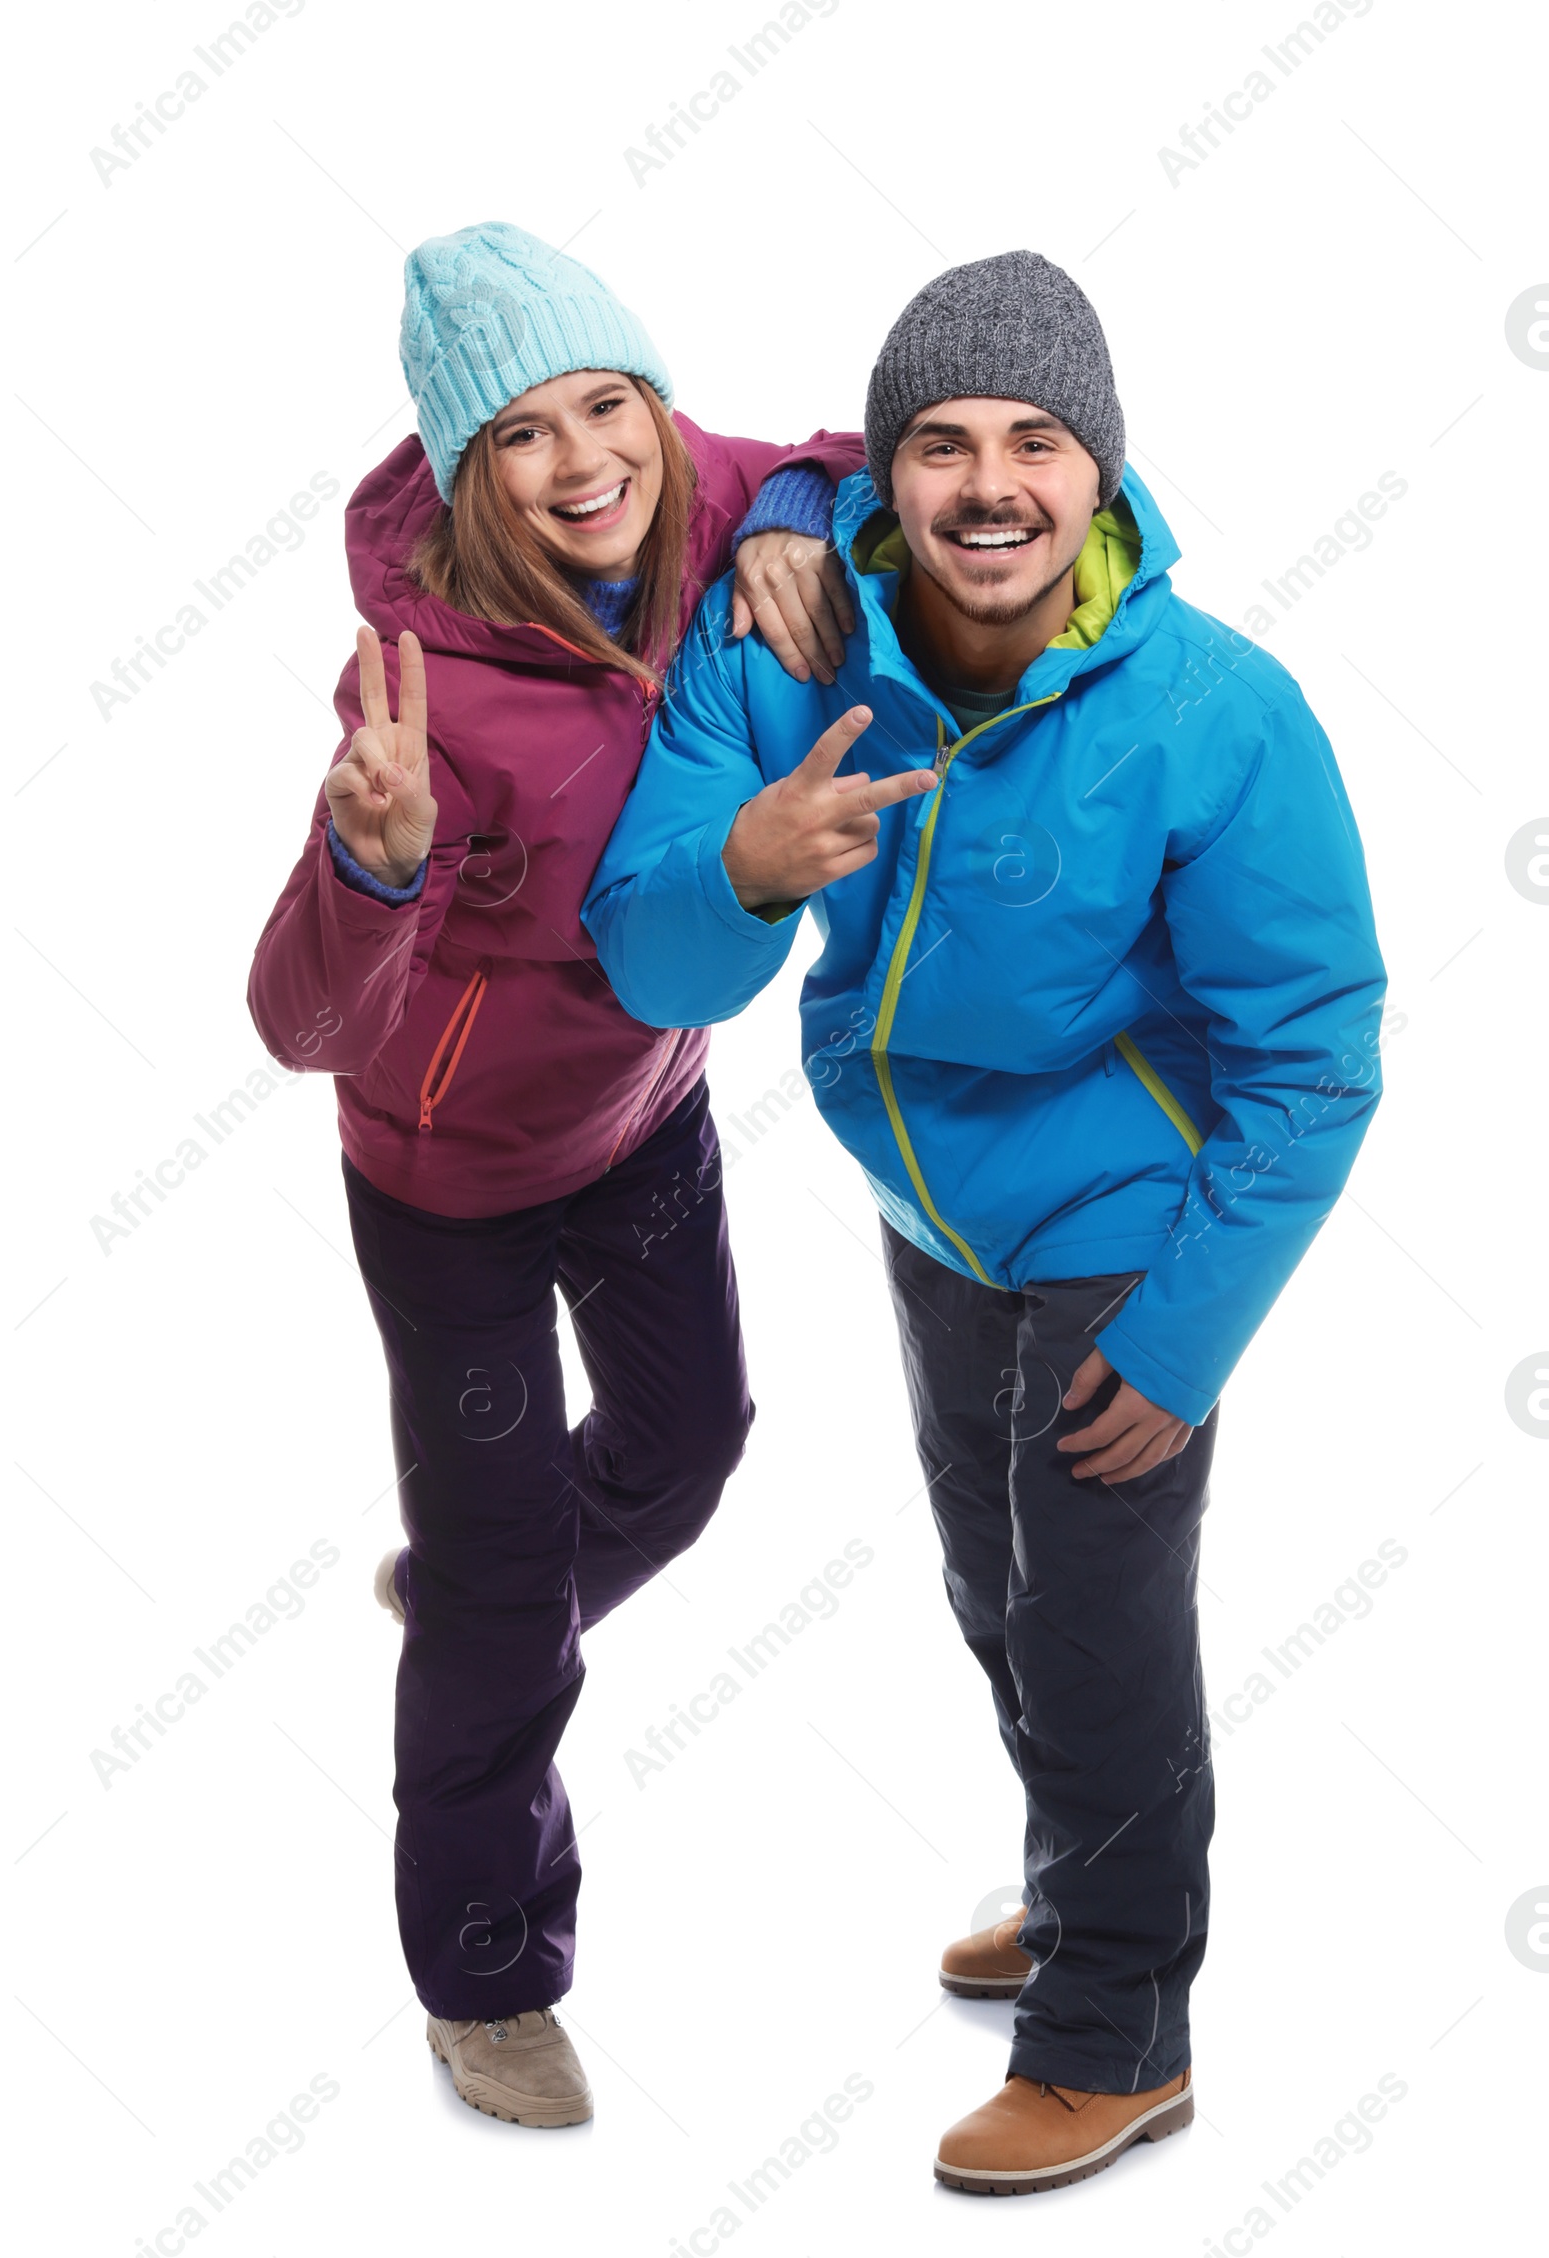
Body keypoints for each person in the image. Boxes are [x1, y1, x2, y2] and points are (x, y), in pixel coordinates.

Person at [584, 250, 1386, 2193]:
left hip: (1133, 1216)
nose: (989, 482)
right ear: (883, 480)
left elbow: (1313, 1054)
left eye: (1037, 441)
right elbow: (648, 947)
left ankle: (1114, 2029)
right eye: (938, 443)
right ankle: (1077, 1872)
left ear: (1098, 479)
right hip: (928, 1204)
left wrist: (1183, 1335)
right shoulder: (783, 649)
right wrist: (744, 868)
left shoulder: (1211, 709)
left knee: (1095, 1623)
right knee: (992, 1591)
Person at [248, 220, 864, 2128]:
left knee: (694, 1447)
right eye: (524, 432)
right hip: (453, 1176)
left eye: (612, 404)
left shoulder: (688, 496)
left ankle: (474, 1598)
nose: (586, 458)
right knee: (516, 1595)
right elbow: (295, 1020)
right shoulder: (421, 687)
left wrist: (804, 524)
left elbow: (862, 457)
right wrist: (372, 860)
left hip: (648, 1113)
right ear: (462, 469)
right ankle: (486, 1975)